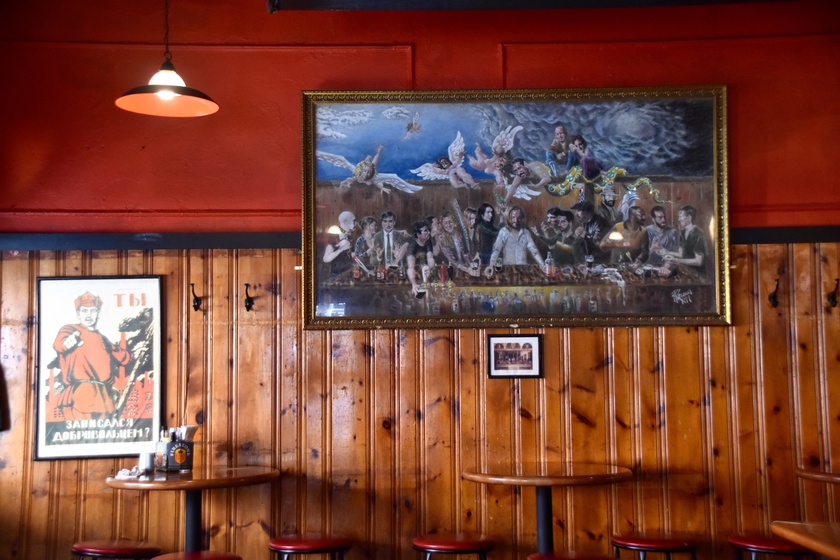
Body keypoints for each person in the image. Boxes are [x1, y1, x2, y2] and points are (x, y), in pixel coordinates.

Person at [52, 292, 132, 420]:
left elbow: (123, 356)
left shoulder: (103, 339)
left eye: (92, 311)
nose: (88, 315)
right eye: (84, 311)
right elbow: (60, 343)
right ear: (78, 314)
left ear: (98, 313)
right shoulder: (70, 329)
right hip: (81, 394)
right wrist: (68, 342)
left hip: (104, 397)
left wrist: (136, 352)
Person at [484, 206, 545, 275]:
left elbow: (534, 251)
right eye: (513, 217)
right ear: (509, 218)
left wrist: (542, 264)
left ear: (522, 219)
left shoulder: (526, 233)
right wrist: (491, 265)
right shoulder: (503, 232)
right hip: (507, 270)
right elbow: (496, 249)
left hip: (522, 270)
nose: (516, 220)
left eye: (519, 218)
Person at [661, 204, 709, 275]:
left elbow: (698, 261)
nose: (679, 219)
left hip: (697, 275)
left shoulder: (698, 235)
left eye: (680, 216)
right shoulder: (682, 232)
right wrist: (667, 252)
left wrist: (676, 260)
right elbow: (681, 254)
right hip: (685, 271)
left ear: (689, 218)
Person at [437, 212, 478, 277]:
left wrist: (470, 264)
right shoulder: (443, 239)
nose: (448, 225)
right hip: (451, 271)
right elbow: (451, 260)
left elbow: (466, 253)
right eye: (445, 223)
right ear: (442, 225)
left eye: (450, 222)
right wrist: (467, 269)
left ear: (454, 222)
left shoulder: (461, 234)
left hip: (466, 268)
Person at [405, 221, 436, 296]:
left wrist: (429, 266)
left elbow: (430, 258)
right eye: (425, 231)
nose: (428, 232)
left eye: (428, 230)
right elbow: (410, 268)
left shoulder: (428, 241)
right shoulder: (412, 245)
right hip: (413, 276)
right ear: (418, 234)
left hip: (425, 273)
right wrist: (413, 283)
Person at [322, 210, 357, 275]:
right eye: (353, 221)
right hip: (337, 273)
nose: (356, 223)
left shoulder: (349, 235)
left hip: (348, 272)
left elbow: (351, 253)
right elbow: (326, 259)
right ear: (345, 222)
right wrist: (341, 249)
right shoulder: (335, 236)